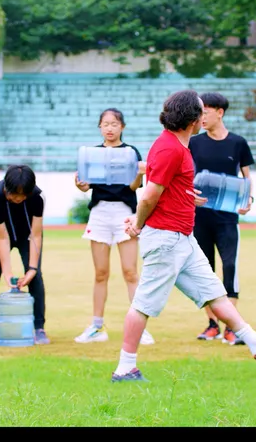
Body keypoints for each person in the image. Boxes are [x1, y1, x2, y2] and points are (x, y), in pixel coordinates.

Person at [112, 89, 256, 382]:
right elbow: (149, 195)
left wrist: (185, 196)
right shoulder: (170, 148)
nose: (204, 114)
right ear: (192, 119)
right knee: (143, 305)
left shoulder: (178, 146)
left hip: (182, 238)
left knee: (214, 293)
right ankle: (125, 368)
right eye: (201, 110)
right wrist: (138, 223)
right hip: (166, 239)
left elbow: (167, 187)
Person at [73, 108, 154, 345]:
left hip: (125, 213)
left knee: (130, 272)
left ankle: (140, 328)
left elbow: (133, 187)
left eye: (114, 124)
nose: (110, 128)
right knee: (101, 273)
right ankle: (97, 327)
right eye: (105, 124)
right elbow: (85, 186)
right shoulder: (92, 153)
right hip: (99, 213)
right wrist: (80, 185)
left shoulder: (130, 153)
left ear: (122, 127)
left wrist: (139, 174)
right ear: (100, 127)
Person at [189, 92, 255, 345]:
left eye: (206, 111)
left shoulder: (238, 143)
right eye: (200, 112)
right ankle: (212, 324)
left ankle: (231, 327)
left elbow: (247, 177)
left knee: (229, 267)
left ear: (220, 112)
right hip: (198, 217)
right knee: (205, 270)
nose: (202, 117)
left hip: (227, 219)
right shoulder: (194, 143)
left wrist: (249, 200)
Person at [0, 165, 49, 345]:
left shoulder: (38, 197)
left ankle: (39, 328)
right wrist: (7, 273)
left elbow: (36, 234)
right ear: (6, 189)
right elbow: (2, 237)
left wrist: (32, 269)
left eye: (22, 195)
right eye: (14, 194)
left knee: (36, 277)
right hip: (0, 234)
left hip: (28, 236)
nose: (17, 199)